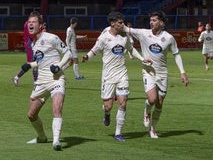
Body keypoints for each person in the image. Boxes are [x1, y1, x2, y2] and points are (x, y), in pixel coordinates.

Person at [82, 12, 151, 142]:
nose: (122, 25)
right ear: (112, 23)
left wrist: (142, 59)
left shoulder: (125, 36)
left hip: (122, 74)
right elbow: (95, 50)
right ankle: (107, 114)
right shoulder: (104, 37)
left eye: (123, 22)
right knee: (108, 106)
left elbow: (131, 49)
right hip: (108, 76)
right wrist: (87, 56)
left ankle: (118, 133)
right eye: (120, 22)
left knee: (123, 103)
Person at [123, 11, 189, 138]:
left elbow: (176, 54)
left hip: (162, 74)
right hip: (148, 72)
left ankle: (152, 129)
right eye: (150, 20)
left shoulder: (169, 38)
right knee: (152, 99)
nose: (151, 22)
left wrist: (183, 72)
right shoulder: (143, 33)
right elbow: (126, 29)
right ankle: (147, 110)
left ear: (162, 23)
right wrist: (116, 21)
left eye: (154, 20)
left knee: (159, 103)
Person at [22, 11, 72, 151]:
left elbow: (68, 53)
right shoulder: (34, 43)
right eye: (29, 22)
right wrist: (30, 65)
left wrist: (59, 66)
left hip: (56, 79)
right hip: (41, 82)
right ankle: (42, 137)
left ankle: (56, 141)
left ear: (41, 25)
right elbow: (41, 62)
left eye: (34, 22)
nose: (30, 24)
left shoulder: (52, 38)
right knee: (31, 115)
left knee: (57, 109)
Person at [12, 20, 38, 86]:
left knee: (34, 64)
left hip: (33, 46)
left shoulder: (29, 23)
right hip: (30, 46)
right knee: (32, 64)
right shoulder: (30, 24)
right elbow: (32, 35)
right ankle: (35, 82)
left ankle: (17, 78)